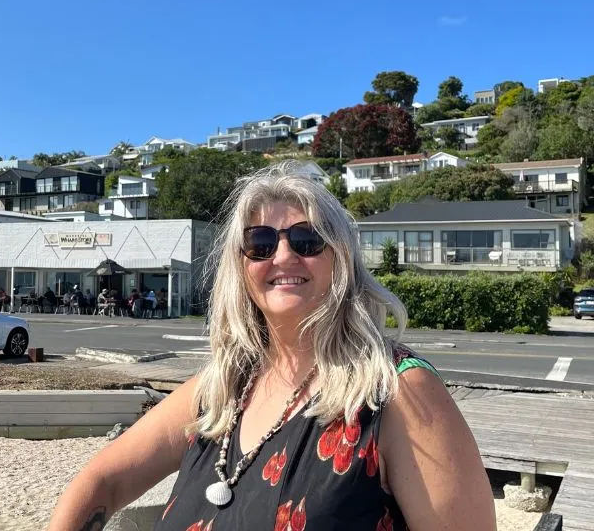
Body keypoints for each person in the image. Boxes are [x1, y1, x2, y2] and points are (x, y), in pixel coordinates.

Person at [47, 161, 496, 531]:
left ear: (340, 256)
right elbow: (101, 481)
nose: (282, 257)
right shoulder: (222, 388)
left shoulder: (399, 392)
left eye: (306, 239)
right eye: (259, 244)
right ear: (240, 268)